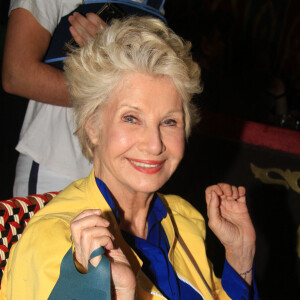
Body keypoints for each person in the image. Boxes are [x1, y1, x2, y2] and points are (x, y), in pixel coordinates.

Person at [0, 16, 258, 299]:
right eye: (132, 118)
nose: (154, 143)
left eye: (169, 121)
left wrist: (240, 256)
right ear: (93, 126)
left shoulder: (183, 219)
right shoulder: (61, 245)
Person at [2, 0, 162, 197]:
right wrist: (116, 87)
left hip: (129, 166)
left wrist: (117, 58)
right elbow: (17, 75)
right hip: (59, 163)